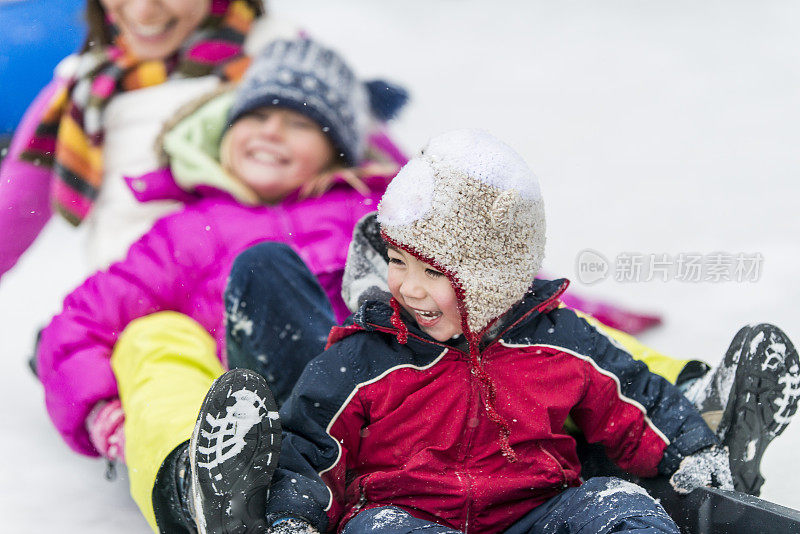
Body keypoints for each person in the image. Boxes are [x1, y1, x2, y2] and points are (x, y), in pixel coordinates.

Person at [238, 129, 740, 534]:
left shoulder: (555, 340)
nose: (409, 288)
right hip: (407, 515)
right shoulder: (367, 356)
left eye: (434, 273)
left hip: (535, 514)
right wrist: (292, 520)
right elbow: (307, 445)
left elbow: (632, 395)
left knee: (614, 503)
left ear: (491, 280)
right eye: (397, 262)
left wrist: (691, 449)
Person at [34, 37, 406, 532]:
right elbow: (78, 326)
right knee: (154, 336)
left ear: (334, 147)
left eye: (299, 123)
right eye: (255, 116)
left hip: (370, 414)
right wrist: (106, 411)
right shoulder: (189, 232)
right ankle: (195, 484)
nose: (271, 132)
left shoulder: (370, 211)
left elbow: (489, 283)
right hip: (245, 425)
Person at [0, 0, 306, 280]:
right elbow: (10, 220)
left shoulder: (290, 65)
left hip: (255, 316)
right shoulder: (83, 87)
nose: (143, 11)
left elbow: (337, 212)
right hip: (121, 317)